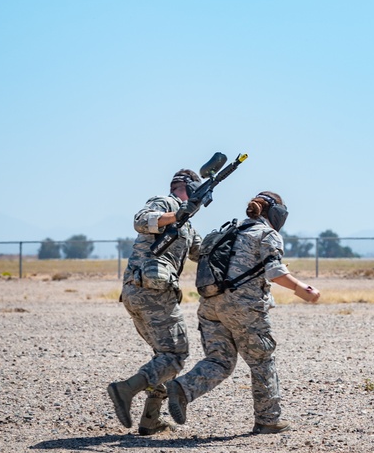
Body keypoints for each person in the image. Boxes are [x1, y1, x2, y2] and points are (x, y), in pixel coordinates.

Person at [166, 191, 321, 434]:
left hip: (209, 305)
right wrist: (303, 289)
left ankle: (182, 389)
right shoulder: (267, 234)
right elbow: (275, 272)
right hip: (244, 307)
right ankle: (268, 420)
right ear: (275, 215)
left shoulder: (226, 230)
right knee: (261, 360)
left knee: (219, 360)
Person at [107, 169, 202, 435]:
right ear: (189, 188)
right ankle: (125, 389)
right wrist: (177, 215)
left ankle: (151, 420)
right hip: (151, 293)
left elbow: (202, 252)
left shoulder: (189, 227)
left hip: (141, 293)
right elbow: (141, 220)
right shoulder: (165, 203)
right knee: (175, 355)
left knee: (163, 357)